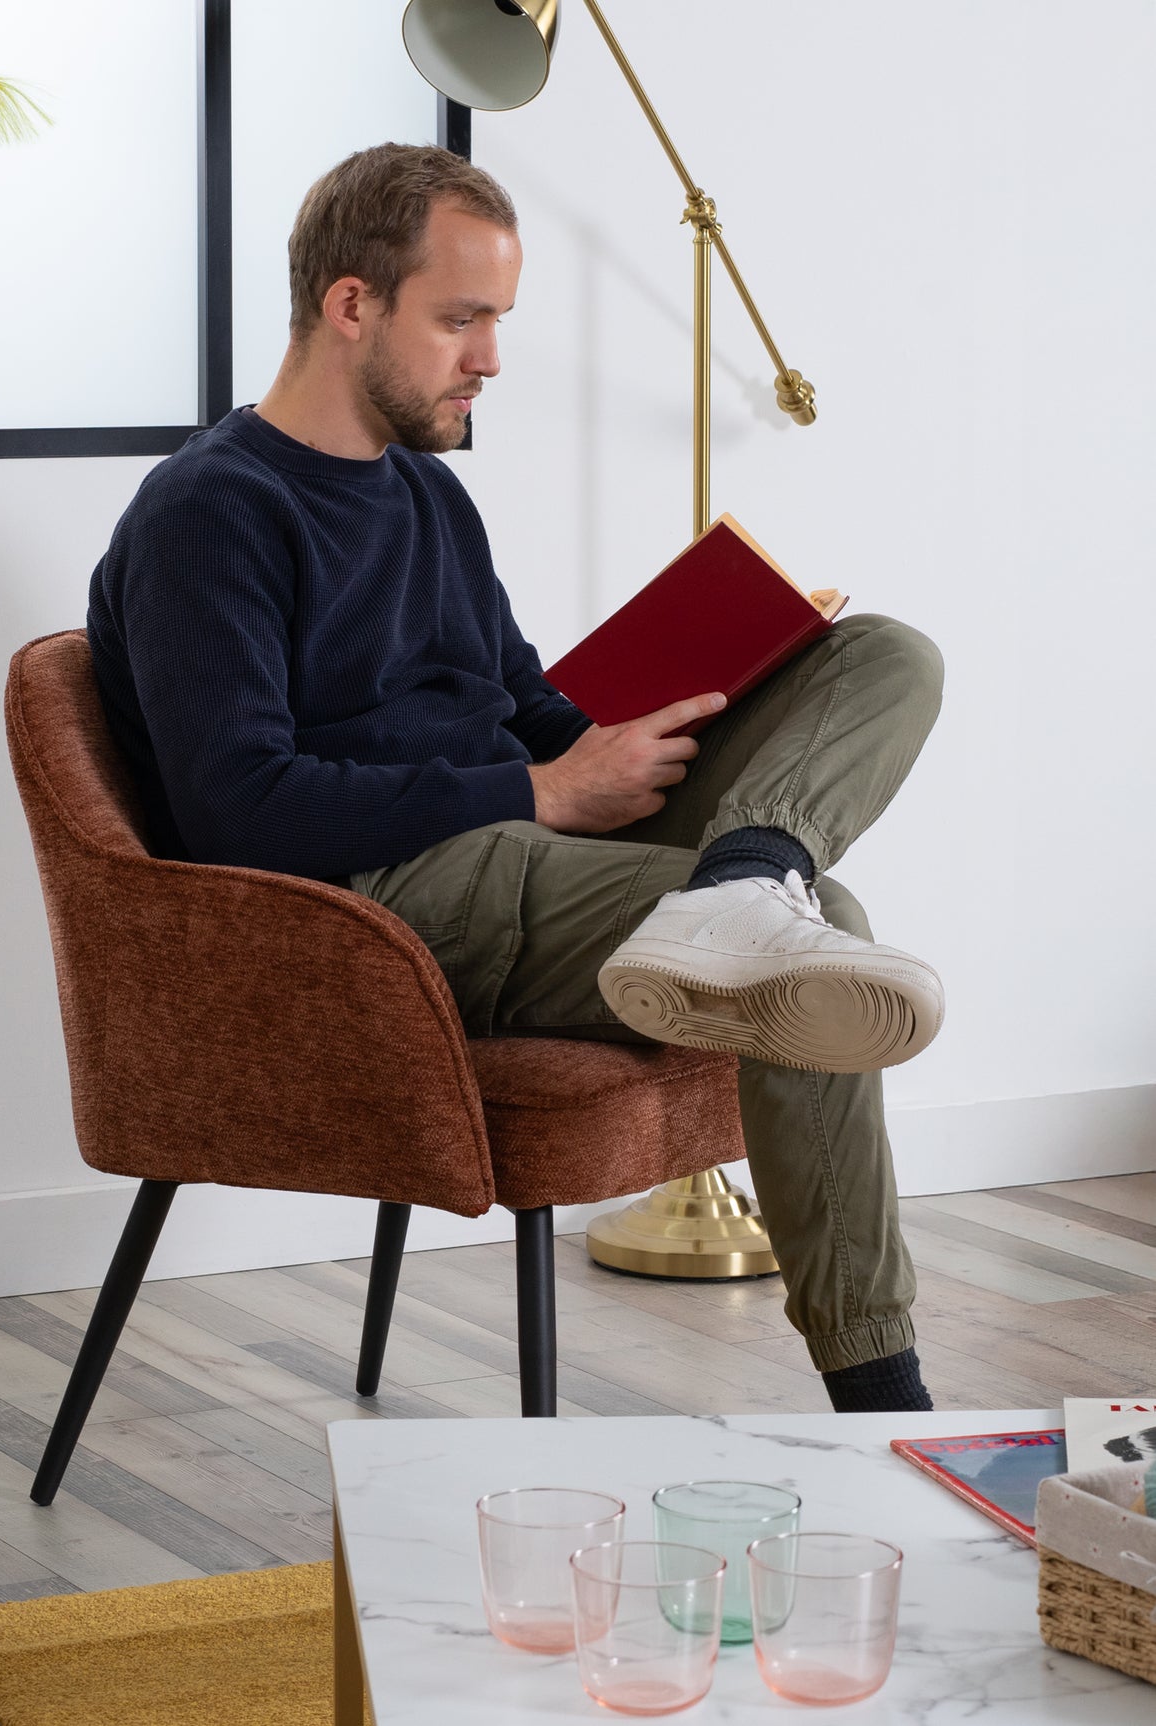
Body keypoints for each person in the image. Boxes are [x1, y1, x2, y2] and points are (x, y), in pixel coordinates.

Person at [86, 143, 945, 1414]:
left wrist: (700, 688)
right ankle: (885, 1403)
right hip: (384, 901)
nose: (490, 356)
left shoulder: (430, 494)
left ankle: (748, 873)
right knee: (832, 941)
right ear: (350, 305)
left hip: (526, 841)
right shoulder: (208, 513)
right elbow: (239, 805)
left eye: (498, 319)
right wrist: (540, 793)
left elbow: (524, 707)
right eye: (461, 318)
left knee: (883, 657)